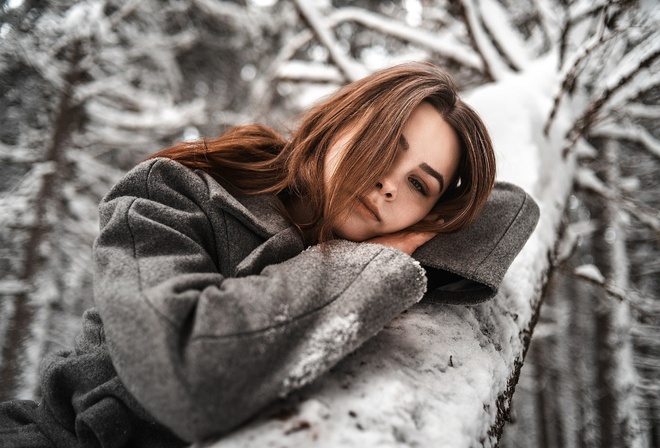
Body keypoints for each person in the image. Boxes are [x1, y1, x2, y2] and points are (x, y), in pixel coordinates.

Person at [0, 62, 538, 447]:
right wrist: (367, 264)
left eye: (420, 184)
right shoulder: (175, 191)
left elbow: (511, 209)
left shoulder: (397, 226)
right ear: (337, 121)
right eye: (384, 145)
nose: (388, 184)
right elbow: (185, 370)